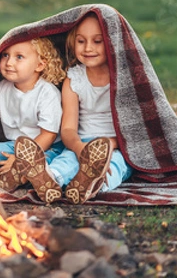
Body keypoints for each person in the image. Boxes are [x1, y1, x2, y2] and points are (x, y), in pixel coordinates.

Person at [12, 13, 134, 204]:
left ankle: (91, 185)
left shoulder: (125, 78)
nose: (88, 48)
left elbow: (136, 129)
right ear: (72, 43)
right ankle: (50, 180)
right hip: (80, 142)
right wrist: (80, 149)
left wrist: (108, 146)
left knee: (115, 166)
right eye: (81, 41)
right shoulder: (74, 79)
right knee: (65, 161)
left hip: (115, 146)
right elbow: (68, 128)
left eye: (97, 41)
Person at [0, 37, 66, 196]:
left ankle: (24, 174)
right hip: (14, 145)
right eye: (5, 55)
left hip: (46, 147)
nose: (8, 62)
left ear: (40, 64)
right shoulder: (2, 88)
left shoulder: (47, 93)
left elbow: (48, 135)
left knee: (46, 162)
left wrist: (20, 159)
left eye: (19, 57)